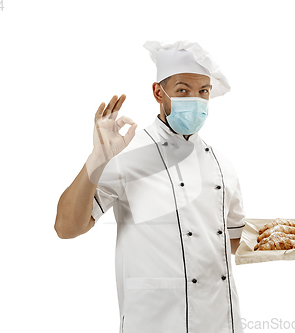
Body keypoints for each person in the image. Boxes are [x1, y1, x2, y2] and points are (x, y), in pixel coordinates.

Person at [55, 40, 246, 333]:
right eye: (183, 90)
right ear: (159, 92)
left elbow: (233, 240)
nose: (195, 99)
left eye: (203, 92)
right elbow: (67, 228)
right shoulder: (127, 153)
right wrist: (97, 159)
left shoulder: (221, 163)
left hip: (219, 320)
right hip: (155, 320)